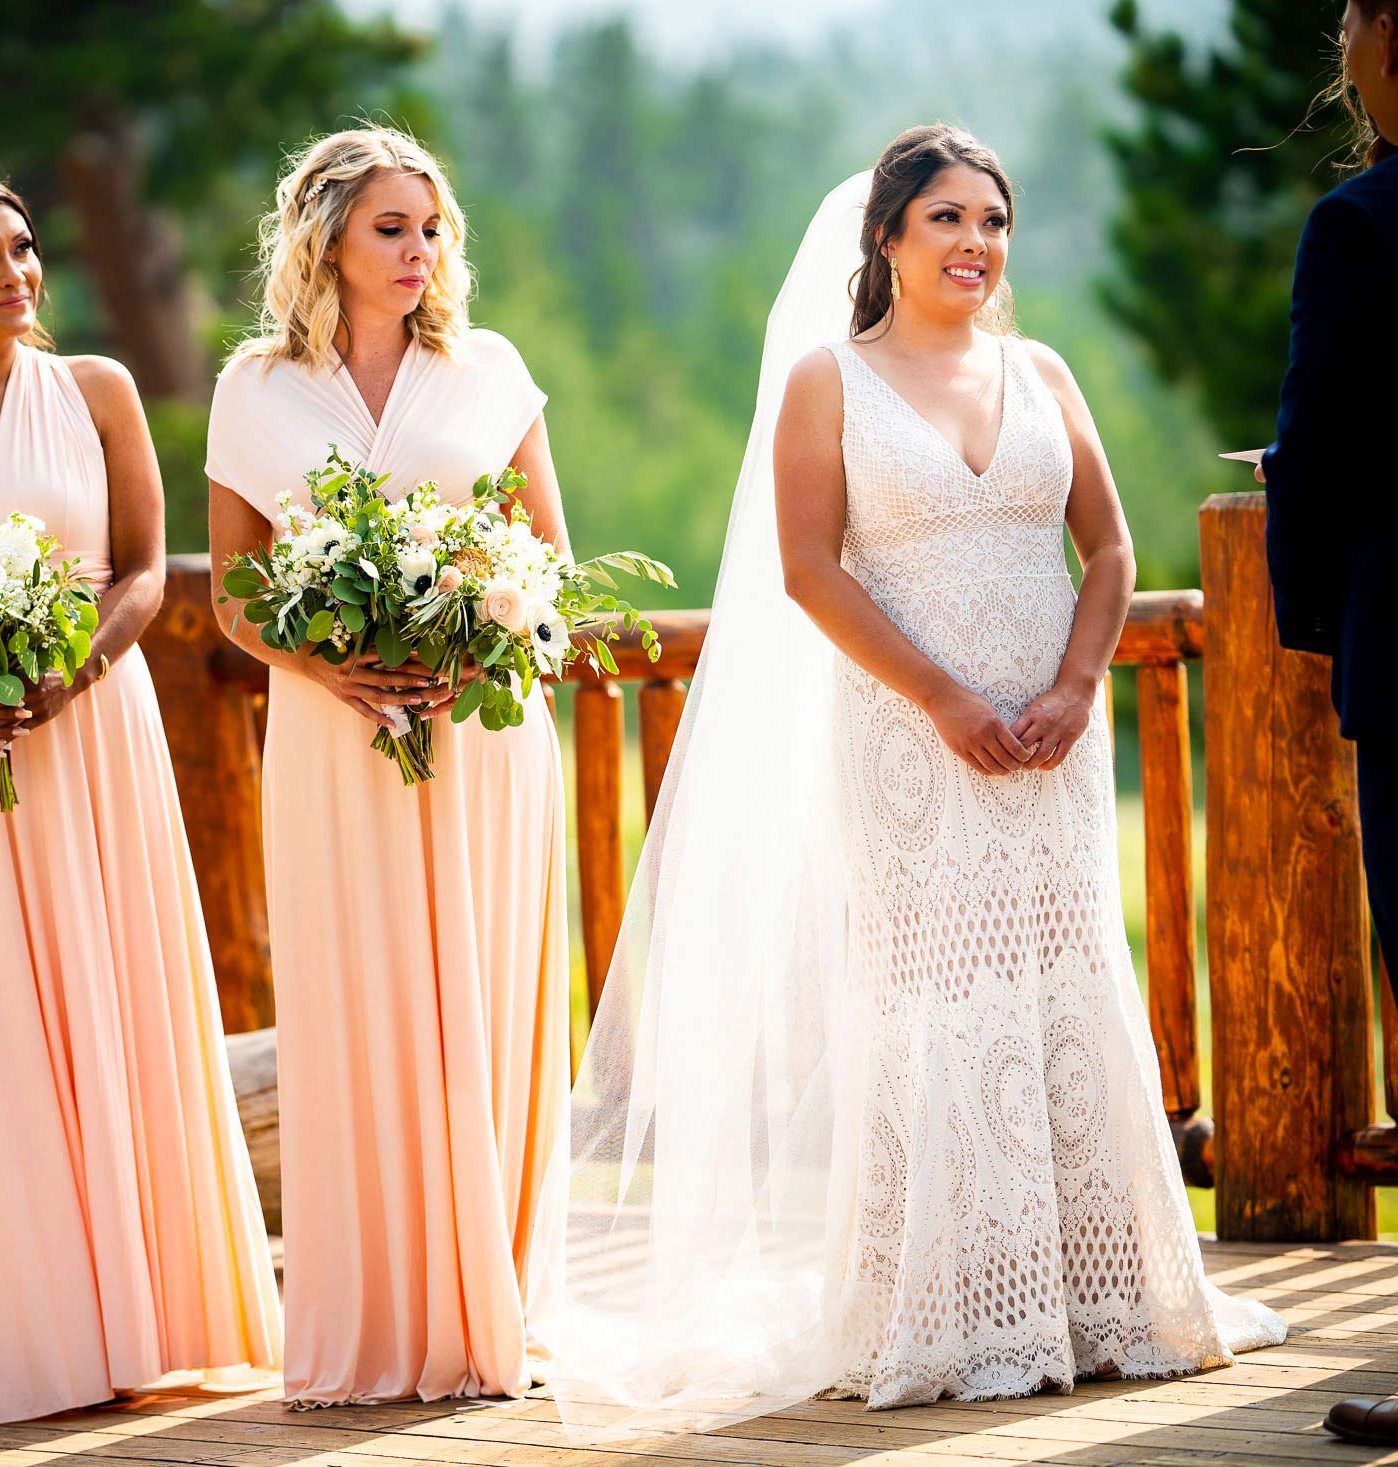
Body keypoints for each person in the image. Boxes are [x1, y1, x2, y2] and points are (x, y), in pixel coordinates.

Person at [535, 124, 1284, 1441]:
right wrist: (942, 695)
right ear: (884, 238)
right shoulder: (832, 379)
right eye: (945, 217)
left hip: (1048, 735)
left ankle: (1104, 1297)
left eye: (993, 220)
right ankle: (951, 1303)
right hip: (909, 738)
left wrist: (1069, 687)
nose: (974, 243)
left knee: (1063, 978)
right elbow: (809, 568)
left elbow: (1108, 546)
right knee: (937, 996)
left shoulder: (1041, 370)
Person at [0, 167, 280, 1430]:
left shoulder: (98, 390)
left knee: (110, 992)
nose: (18, 274)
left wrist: (70, 669)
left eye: (25, 250)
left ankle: (147, 1321)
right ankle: (11, 1331)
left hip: (88, 729)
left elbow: (144, 566)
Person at [205, 124, 571, 1407]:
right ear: (326, 240)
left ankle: (494, 1292)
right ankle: (377, 1307)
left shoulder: (489, 369)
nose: (419, 252)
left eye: (431, 230)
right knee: (358, 996)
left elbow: (546, 561)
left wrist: (478, 642)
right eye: (390, 229)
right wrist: (329, 668)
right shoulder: (253, 386)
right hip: (329, 731)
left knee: (480, 995)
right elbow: (240, 597)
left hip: (477, 729)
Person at [1257, 5, 1398, 1439]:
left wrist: (1316, 615)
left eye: (1354, 14)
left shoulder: (1361, 228)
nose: (1339, 36)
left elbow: (1326, 441)